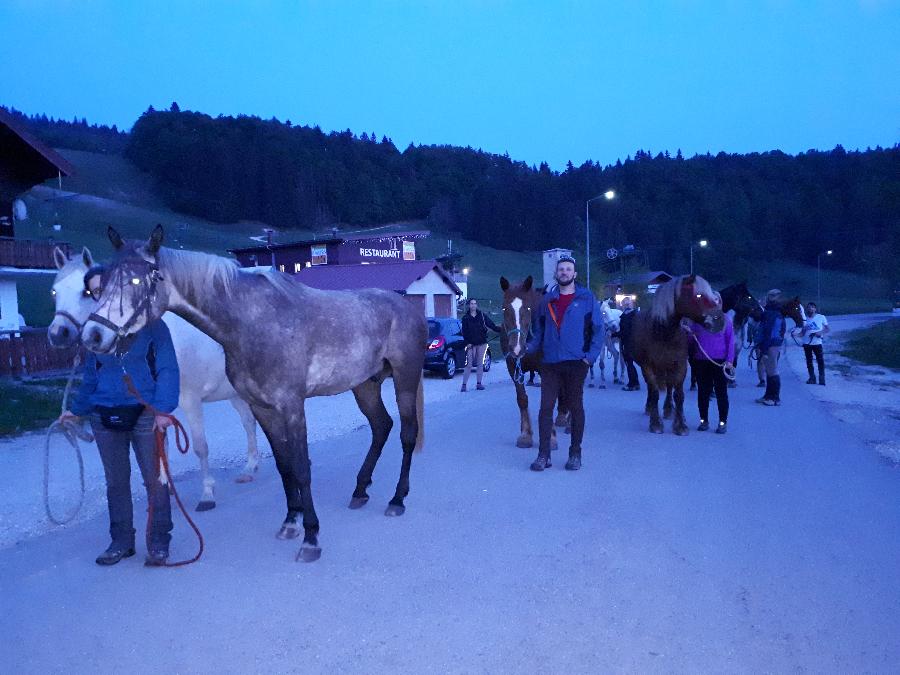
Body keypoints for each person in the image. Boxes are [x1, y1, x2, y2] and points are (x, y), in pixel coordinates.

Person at [58, 265, 180, 567]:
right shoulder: (94, 329)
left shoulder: (151, 325)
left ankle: (159, 542)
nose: (100, 294)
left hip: (145, 413)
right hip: (104, 415)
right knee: (116, 483)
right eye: (94, 291)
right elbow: (90, 376)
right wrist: (77, 409)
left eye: (105, 288)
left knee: (155, 480)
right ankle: (121, 542)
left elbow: (168, 368)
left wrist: (164, 410)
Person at [525, 256, 604, 472]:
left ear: (574, 274)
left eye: (569, 269)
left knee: (576, 408)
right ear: (556, 274)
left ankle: (575, 453)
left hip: (576, 363)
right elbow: (539, 332)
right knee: (545, 409)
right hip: (550, 363)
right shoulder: (547, 301)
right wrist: (527, 348)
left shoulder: (586, 298)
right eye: (561, 269)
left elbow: (599, 330)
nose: (565, 272)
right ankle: (544, 455)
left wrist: (590, 357)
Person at [690, 300, 734, 433]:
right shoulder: (699, 319)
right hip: (701, 360)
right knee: (703, 392)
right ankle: (704, 421)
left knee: (721, 392)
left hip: (720, 361)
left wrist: (730, 359)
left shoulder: (725, 319)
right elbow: (691, 339)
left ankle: (722, 422)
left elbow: (730, 340)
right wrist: (687, 332)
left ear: (720, 303)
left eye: (716, 300)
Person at [460, 298, 500, 392]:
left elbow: (491, 325)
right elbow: (464, 332)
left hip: (482, 343)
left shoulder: (482, 315)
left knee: (480, 364)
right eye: (471, 303)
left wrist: (501, 330)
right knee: (469, 364)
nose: (473, 305)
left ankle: (479, 384)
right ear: (469, 305)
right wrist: (467, 343)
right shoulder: (465, 318)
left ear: (476, 305)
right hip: (471, 344)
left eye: (475, 303)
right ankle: (464, 385)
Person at [755, 289, 786, 406]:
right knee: (769, 370)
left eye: (771, 296)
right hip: (772, 342)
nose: (769, 297)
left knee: (772, 370)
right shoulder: (772, 311)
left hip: (771, 343)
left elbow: (768, 331)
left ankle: (775, 398)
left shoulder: (773, 312)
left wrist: (764, 347)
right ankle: (768, 395)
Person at [802, 302, 829, 385]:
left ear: (815, 309)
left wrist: (819, 333)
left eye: (812, 307)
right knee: (809, 361)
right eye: (808, 307)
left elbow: (827, 329)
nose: (810, 309)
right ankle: (812, 378)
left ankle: (822, 379)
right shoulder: (805, 319)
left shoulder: (821, 317)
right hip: (807, 343)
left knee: (820, 361)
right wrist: (795, 335)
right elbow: (802, 333)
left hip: (817, 343)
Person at [618, 296, 640, 391]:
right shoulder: (633, 314)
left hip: (628, 343)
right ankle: (636, 383)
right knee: (630, 364)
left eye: (625, 303)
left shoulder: (628, 316)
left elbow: (625, 331)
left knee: (629, 364)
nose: (624, 305)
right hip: (631, 342)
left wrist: (614, 334)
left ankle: (632, 384)